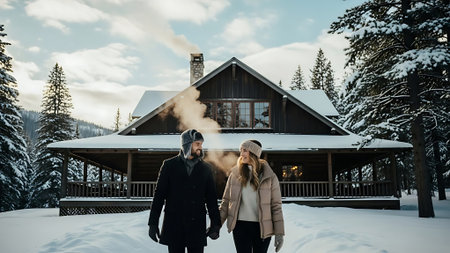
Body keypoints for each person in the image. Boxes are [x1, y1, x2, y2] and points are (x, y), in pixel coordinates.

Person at [148, 129, 221, 253]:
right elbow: (159, 196)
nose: (200, 147)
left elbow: (211, 199)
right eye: (197, 144)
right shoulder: (169, 165)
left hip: (196, 224)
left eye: (201, 144)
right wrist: (153, 224)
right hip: (174, 223)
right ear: (187, 144)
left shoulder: (206, 169)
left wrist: (215, 225)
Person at [219, 140, 285, 253]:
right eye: (241, 151)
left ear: (254, 153)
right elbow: (226, 201)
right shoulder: (235, 174)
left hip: (262, 228)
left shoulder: (269, 176)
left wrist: (279, 233)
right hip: (240, 227)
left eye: (245, 150)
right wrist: (217, 224)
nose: (241, 154)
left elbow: (276, 206)